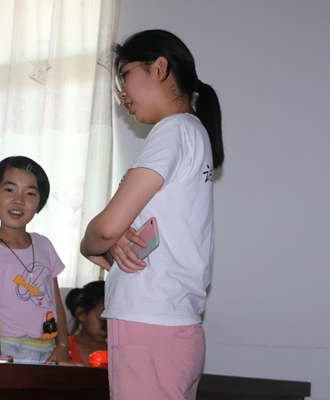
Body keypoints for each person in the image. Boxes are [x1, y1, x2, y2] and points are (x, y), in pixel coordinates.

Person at [80, 29, 224, 399]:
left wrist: (91, 242)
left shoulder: (173, 129)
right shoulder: (192, 131)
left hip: (150, 321)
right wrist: (112, 238)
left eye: (124, 75)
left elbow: (104, 229)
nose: (121, 93)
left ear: (159, 68)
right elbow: (117, 230)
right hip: (169, 323)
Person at [0, 156, 70, 364]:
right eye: (9, 190)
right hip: (10, 348)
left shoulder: (44, 245)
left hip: (48, 348)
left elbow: (56, 301)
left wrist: (63, 345)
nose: (19, 200)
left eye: (30, 193)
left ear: (40, 203)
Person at [65, 280, 107, 366]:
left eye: (112, 322)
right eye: (102, 320)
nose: (106, 327)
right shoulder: (63, 348)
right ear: (81, 314)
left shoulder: (117, 352)